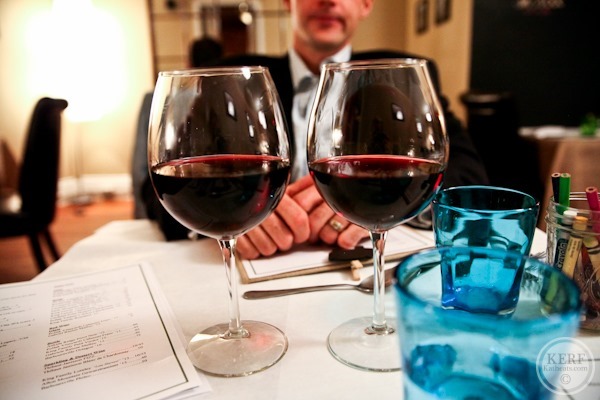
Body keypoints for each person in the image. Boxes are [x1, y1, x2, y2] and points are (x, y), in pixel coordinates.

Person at [142, 0, 489, 257]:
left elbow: (469, 174)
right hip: (249, 267)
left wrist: (382, 206)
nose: (329, 0)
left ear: (366, 4)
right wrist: (227, 221)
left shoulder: (404, 73)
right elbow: (159, 190)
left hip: (367, 264)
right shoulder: (230, 77)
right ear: (287, 1)